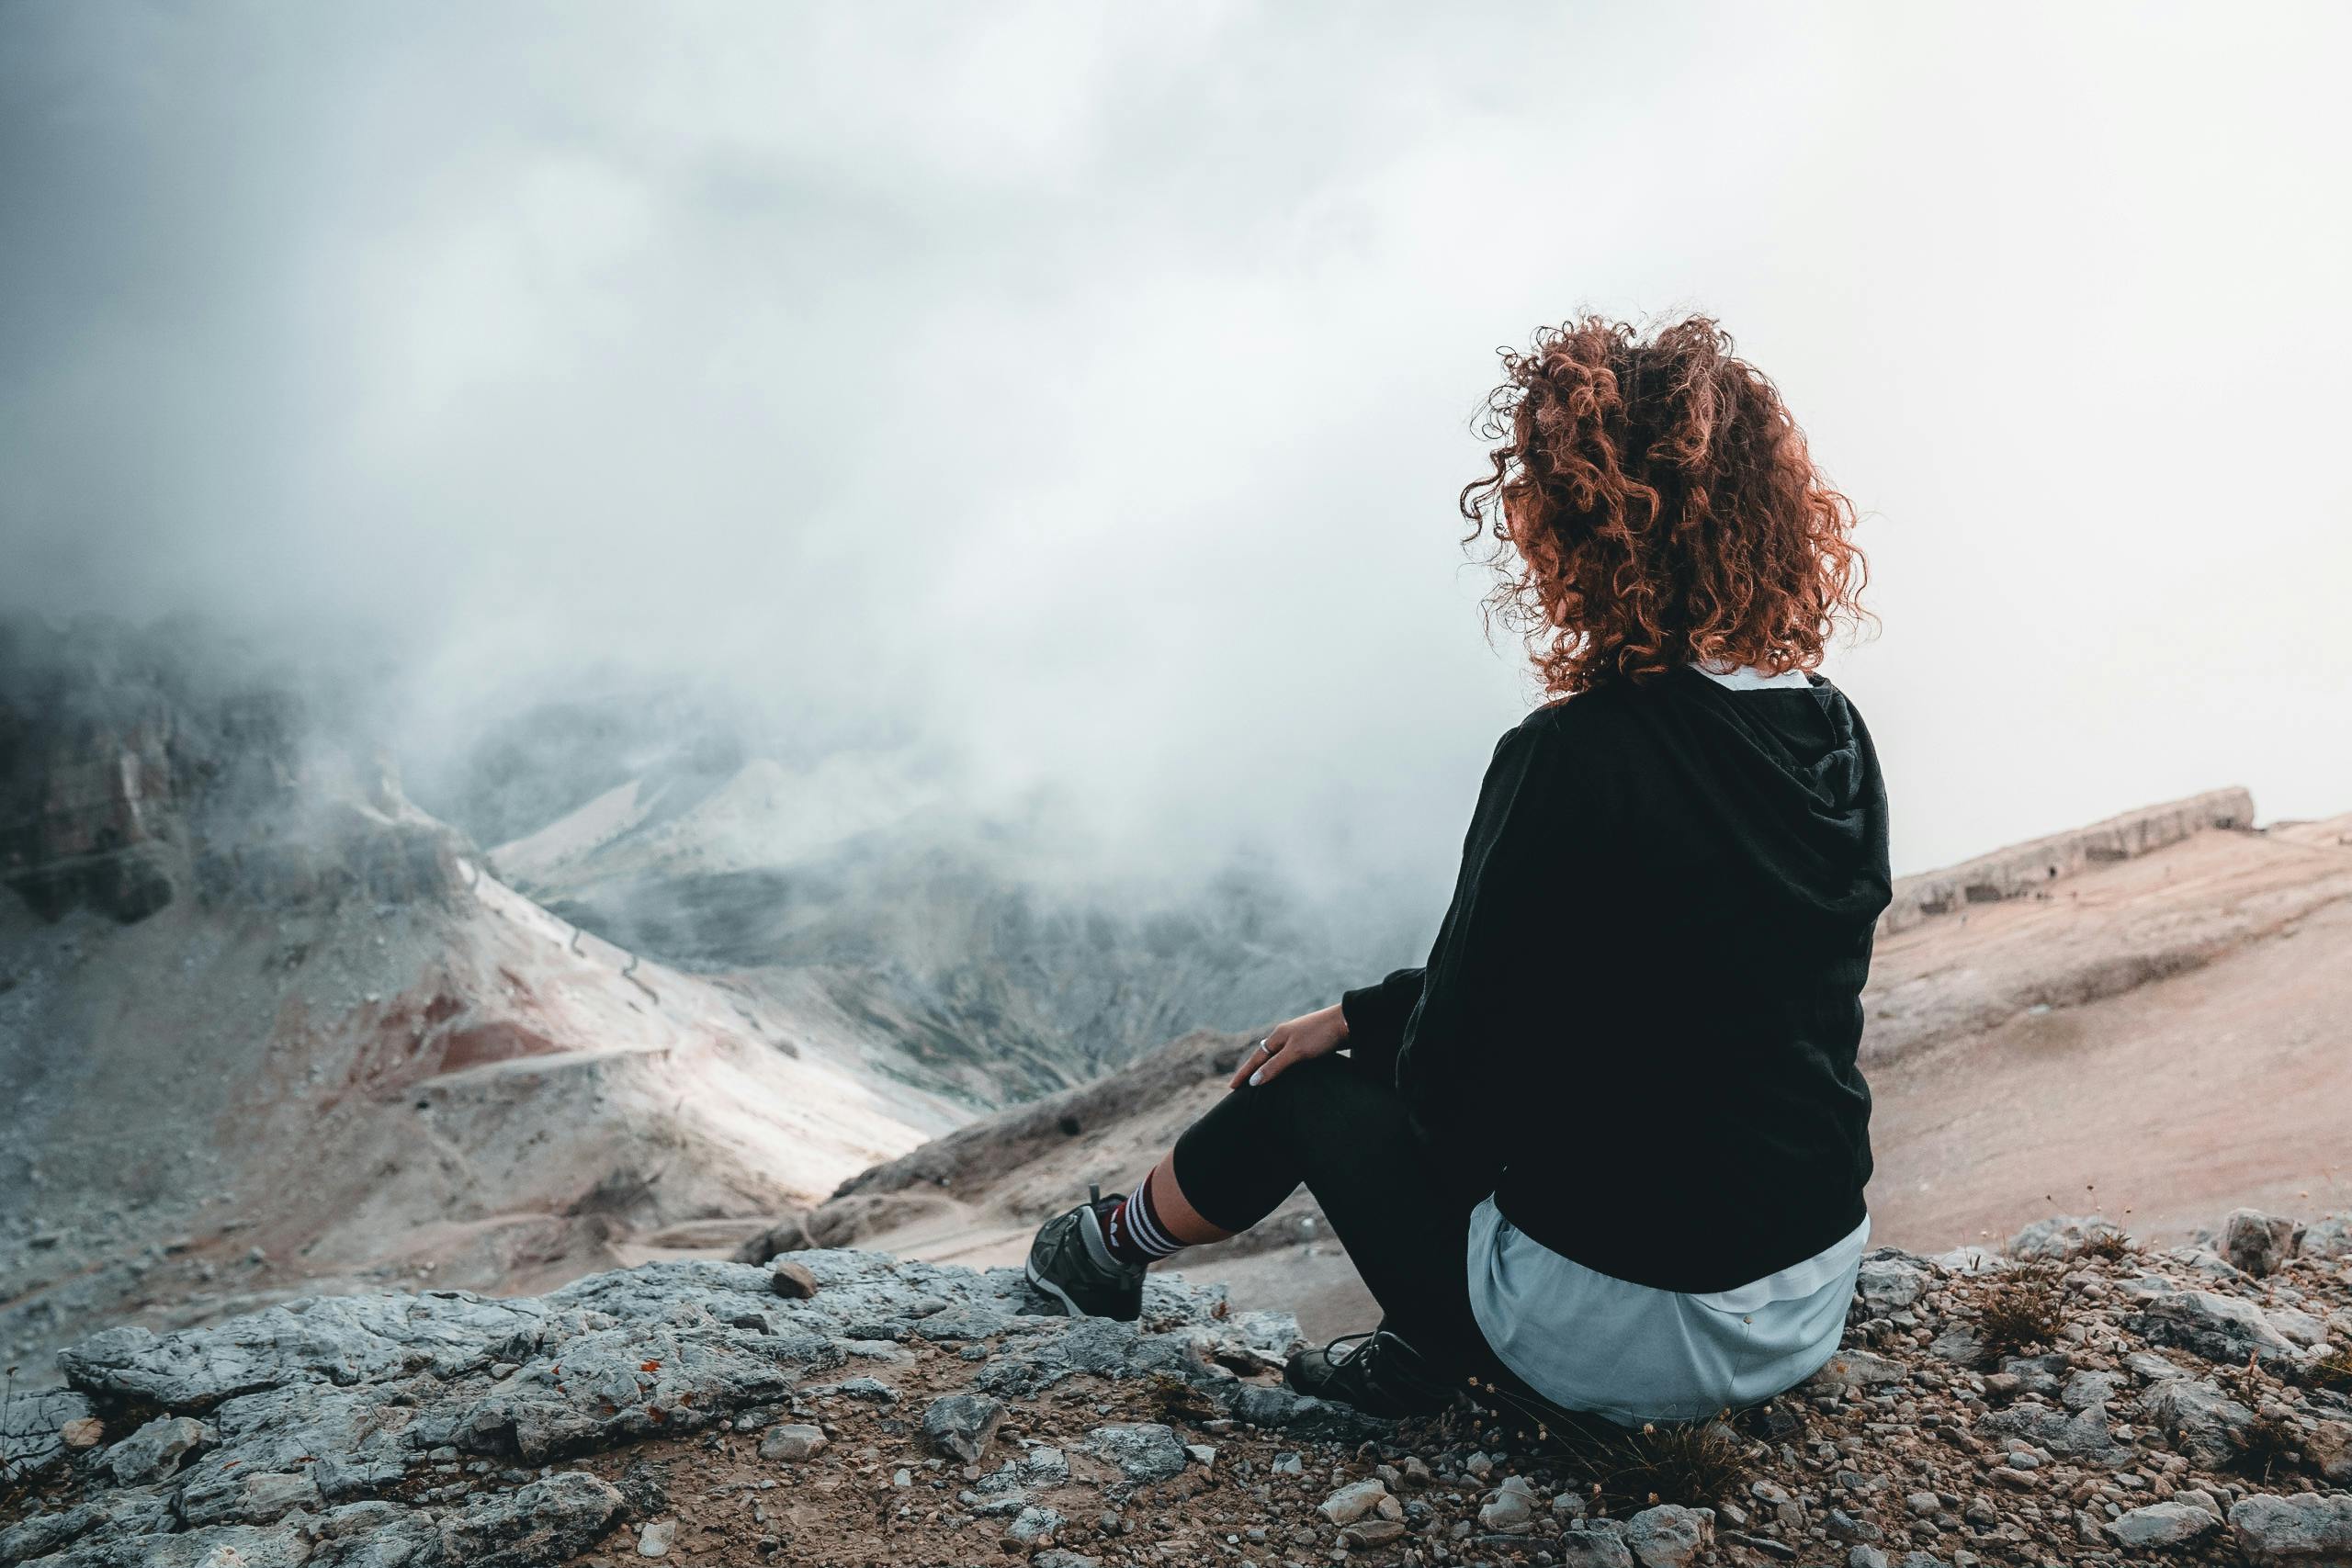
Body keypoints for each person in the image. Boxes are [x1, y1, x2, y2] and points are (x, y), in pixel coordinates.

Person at [1026, 315, 1890, 1427]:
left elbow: (1454, 1077)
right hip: (1803, 1289)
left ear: (1577, 530)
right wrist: (1360, 1009)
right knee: (1498, 1081)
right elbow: (1682, 976)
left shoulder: (1572, 754)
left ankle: (1109, 1252)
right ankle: (1410, 1331)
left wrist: (1373, 1043)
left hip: (1629, 1340)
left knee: (1303, 1094)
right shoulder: (1832, 730)